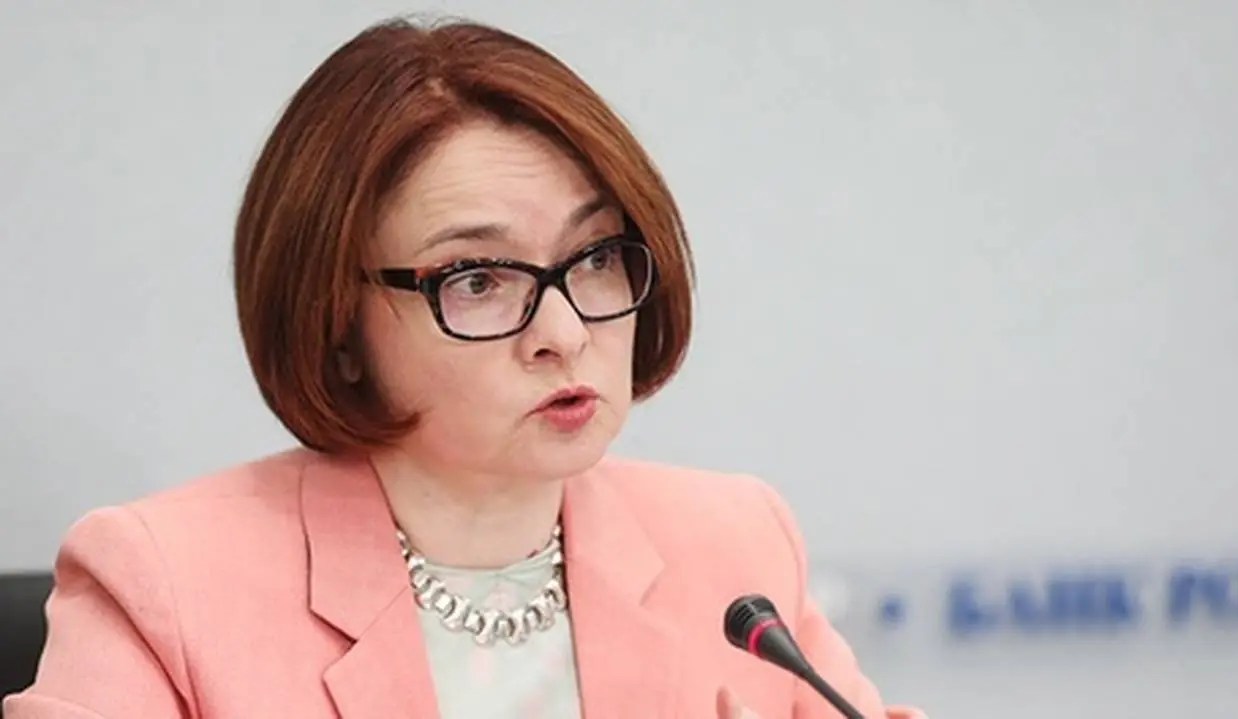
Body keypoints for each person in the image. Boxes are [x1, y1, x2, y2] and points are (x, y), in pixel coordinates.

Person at [4, 16, 926, 719]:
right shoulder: (164, 581)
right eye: (478, 278)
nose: (564, 331)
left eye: (596, 257)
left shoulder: (733, 545)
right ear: (337, 324)